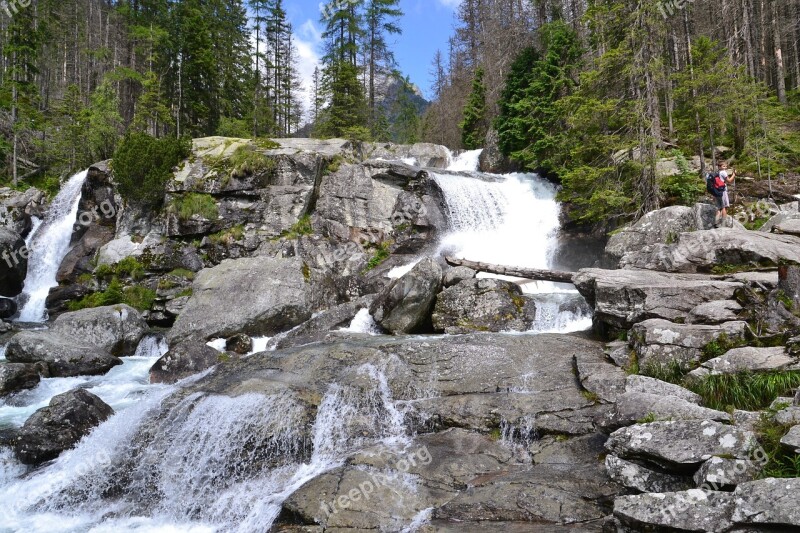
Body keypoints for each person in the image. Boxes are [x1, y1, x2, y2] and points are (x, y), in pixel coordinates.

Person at [714, 161, 736, 228]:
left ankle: (716, 222)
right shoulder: (723, 172)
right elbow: (729, 181)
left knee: (719, 207)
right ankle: (723, 224)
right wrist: (734, 174)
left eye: (726, 166)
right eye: (723, 166)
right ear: (720, 166)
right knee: (724, 207)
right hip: (722, 191)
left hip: (717, 191)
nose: (725, 167)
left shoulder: (717, 173)